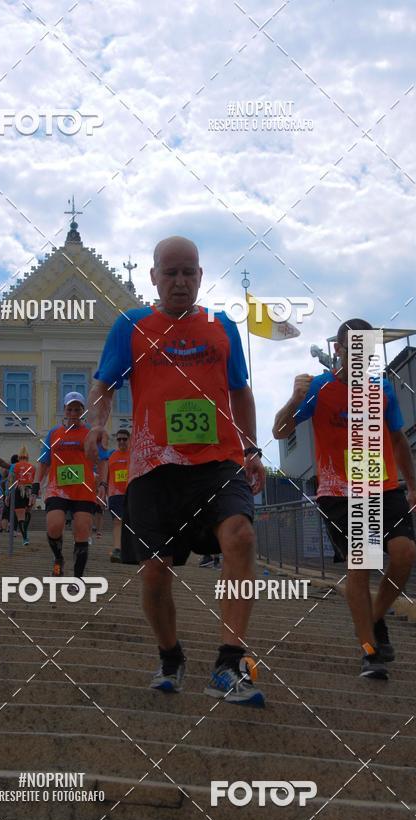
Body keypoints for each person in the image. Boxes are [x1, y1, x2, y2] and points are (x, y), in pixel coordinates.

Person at [86, 236, 266, 705]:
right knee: (153, 574)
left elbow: (240, 392)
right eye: (170, 273)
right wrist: (98, 425)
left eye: (189, 272)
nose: (180, 282)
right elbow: (103, 385)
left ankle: (229, 661)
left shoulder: (222, 327)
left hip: (216, 462)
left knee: (241, 535)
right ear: (154, 277)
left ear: (201, 276)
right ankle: (170, 655)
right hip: (153, 468)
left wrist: (251, 449)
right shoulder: (132, 325)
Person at [272, 318, 416, 679]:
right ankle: (370, 651)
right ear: (339, 350)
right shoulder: (320, 388)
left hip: (385, 487)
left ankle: (373, 618)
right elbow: (280, 430)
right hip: (340, 493)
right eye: (353, 348)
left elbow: (400, 440)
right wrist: (294, 399)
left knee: (405, 554)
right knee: (361, 564)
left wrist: (414, 487)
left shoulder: (382, 390)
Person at [34, 392, 98, 580]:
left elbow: (101, 459)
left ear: (82, 411)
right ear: (64, 410)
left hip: (83, 489)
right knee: (54, 526)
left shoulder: (89, 433)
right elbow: (44, 461)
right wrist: (36, 484)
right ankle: (58, 558)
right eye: (70, 409)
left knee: (82, 531)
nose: (73, 412)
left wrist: (102, 482)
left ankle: (77, 578)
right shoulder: (54, 433)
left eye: (77, 409)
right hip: (57, 488)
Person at [98, 428, 131, 563]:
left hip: (132, 493)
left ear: (130, 440)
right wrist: (103, 494)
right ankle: (117, 549)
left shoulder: (134, 455)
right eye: (119, 439)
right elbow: (106, 476)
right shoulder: (111, 456)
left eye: (124, 439)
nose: (121, 441)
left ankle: (130, 549)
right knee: (117, 521)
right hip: (115, 495)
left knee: (131, 522)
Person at [10, 447, 35, 546]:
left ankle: (25, 538)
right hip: (29, 490)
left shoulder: (14, 466)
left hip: (18, 490)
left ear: (19, 457)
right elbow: (35, 481)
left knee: (20, 517)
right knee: (28, 512)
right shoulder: (32, 467)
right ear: (27, 457)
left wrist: (8, 496)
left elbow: (10, 481)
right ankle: (25, 534)